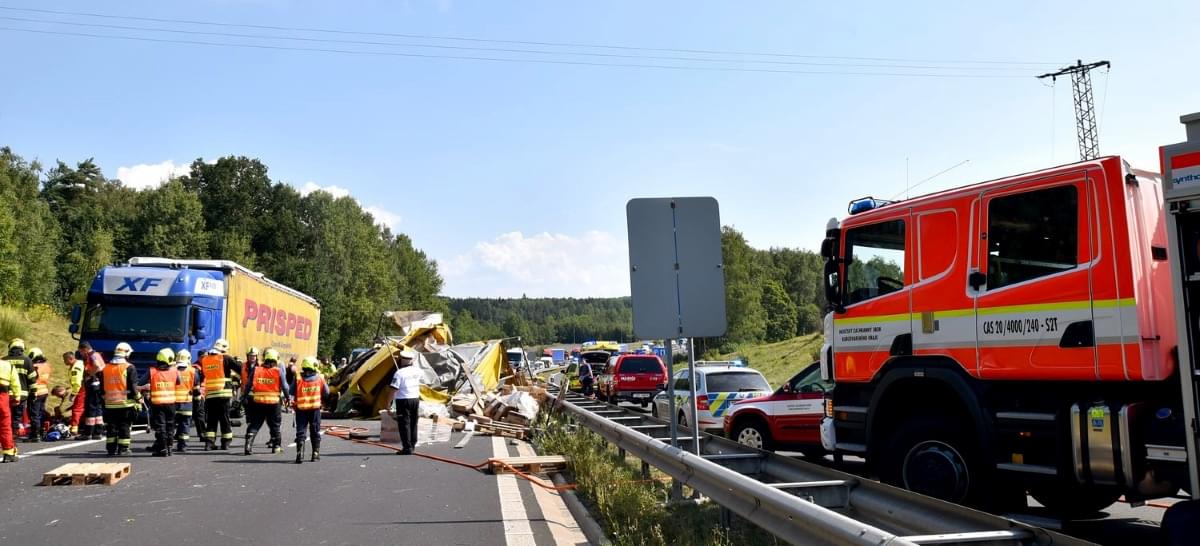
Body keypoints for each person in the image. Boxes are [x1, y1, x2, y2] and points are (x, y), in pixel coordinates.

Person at [243, 348, 290, 455]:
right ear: (275, 359)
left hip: (258, 402)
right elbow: (285, 387)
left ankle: (248, 446)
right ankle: (276, 447)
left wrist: (244, 396)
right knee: (275, 425)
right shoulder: (278, 371)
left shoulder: (256, 370)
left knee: (255, 424)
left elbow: (248, 385)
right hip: (273, 404)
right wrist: (288, 398)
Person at [200, 338, 240, 450]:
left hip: (210, 394)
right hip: (223, 393)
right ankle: (225, 442)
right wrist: (238, 362)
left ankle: (209, 443)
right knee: (224, 418)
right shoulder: (225, 358)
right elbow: (240, 369)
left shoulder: (205, 359)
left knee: (211, 419)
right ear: (224, 349)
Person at [102, 342, 139, 456]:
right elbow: (133, 387)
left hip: (109, 403)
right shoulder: (129, 367)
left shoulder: (106, 368)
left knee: (111, 426)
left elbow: (102, 387)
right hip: (125, 404)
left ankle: (111, 449)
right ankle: (123, 449)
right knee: (124, 426)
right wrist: (139, 398)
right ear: (127, 354)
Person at [291, 356, 328, 464]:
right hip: (315, 410)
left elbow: (291, 391)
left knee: (301, 432)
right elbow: (327, 392)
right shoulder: (320, 378)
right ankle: (315, 454)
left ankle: (300, 455)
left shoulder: (298, 378)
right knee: (315, 431)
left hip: (301, 410)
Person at [141, 348, 177, 457]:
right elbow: (178, 382)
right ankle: (169, 448)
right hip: (171, 403)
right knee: (170, 425)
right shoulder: (174, 371)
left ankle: (162, 449)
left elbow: (140, 383)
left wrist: (146, 389)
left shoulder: (152, 371)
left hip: (157, 404)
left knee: (161, 426)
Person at [390, 349, 421, 455]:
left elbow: (393, 389)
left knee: (404, 424)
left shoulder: (399, 373)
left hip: (403, 400)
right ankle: (412, 444)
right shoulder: (417, 371)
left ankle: (407, 448)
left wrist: (388, 404)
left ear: (402, 360)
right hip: (415, 398)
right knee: (413, 423)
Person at [173, 350, 202, 452]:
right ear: (189, 359)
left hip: (173, 403)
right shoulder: (193, 371)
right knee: (185, 424)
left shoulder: (172, 370)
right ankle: (182, 445)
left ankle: (167, 444)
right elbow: (196, 390)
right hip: (187, 403)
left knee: (171, 424)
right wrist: (197, 403)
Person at [5, 339, 34, 442]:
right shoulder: (27, 360)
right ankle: (13, 436)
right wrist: (33, 393)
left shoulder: (3, 360)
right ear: (22, 349)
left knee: (5, 416)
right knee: (17, 417)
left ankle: (5, 435)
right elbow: (32, 379)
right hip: (22, 395)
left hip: (5, 394)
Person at [0, 345, 22, 462]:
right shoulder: (7, 365)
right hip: (2, 397)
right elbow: (15, 383)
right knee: (4, 425)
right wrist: (17, 397)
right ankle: (8, 453)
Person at [78, 356, 105, 441]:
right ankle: (98, 433)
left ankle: (88, 433)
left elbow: (97, 367)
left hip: (92, 388)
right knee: (98, 411)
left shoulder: (91, 362)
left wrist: (89, 375)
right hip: (98, 388)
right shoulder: (100, 362)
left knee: (90, 410)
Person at [26, 347, 50, 442]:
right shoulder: (46, 365)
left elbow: (32, 379)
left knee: (34, 414)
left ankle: (35, 435)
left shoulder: (34, 366)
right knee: (41, 413)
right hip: (44, 391)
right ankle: (41, 432)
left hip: (36, 392)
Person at [65, 352, 85, 436]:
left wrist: (73, 394)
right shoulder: (79, 363)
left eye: (65, 360)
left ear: (70, 358)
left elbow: (77, 382)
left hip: (80, 389)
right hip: (82, 388)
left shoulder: (75, 368)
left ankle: (74, 427)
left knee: (77, 408)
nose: (64, 362)